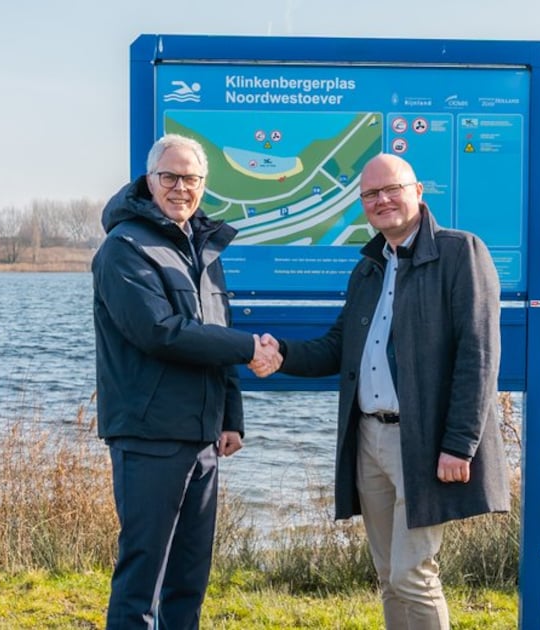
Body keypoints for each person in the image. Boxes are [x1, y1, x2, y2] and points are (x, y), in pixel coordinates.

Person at [252, 154, 510, 629]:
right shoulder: (369, 268)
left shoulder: (460, 253)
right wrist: (280, 353)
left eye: (391, 189)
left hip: (425, 441)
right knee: (389, 575)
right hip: (369, 440)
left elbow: (479, 354)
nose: (382, 200)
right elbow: (338, 346)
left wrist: (459, 444)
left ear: (418, 192)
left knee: (414, 573)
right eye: (370, 195)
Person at [92, 133, 281, 629]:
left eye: (191, 179)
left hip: (202, 439)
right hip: (149, 434)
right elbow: (160, 334)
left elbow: (218, 333)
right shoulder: (124, 248)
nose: (181, 188)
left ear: (204, 184)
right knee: (142, 580)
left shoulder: (201, 249)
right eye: (170, 177)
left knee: (189, 579)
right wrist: (250, 351)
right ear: (150, 180)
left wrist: (230, 416)